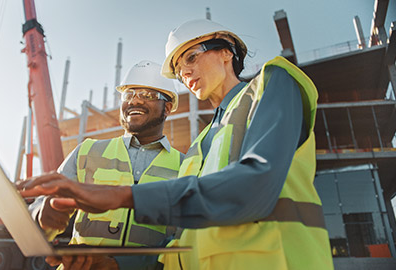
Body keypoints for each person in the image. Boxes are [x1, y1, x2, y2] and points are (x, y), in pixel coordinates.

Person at [19, 19, 334, 270]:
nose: (185, 72)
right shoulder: (198, 149)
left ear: (227, 52)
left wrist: (118, 195)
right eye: (180, 69)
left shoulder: (272, 84)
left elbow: (254, 188)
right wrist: (114, 264)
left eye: (192, 57)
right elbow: (177, 244)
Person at [27, 60, 183, 270]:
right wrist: (42, 215)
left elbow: (183, 242)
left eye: (148, 95)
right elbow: (42, 205)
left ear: (168, 108)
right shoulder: (88, 151)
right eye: (129, 95)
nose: (135, 101)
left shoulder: (186, 166)